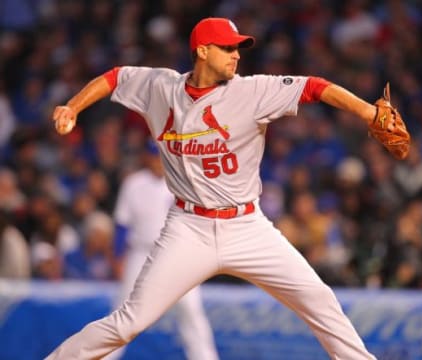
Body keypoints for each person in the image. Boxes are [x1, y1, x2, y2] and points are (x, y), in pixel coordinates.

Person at [46, 17, 390, 359]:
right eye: (227, 47)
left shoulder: (252, 91)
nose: (236, 55)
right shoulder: (161, 87)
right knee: (127, 323)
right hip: (188, 227)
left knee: (319, 299)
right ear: (202, 51)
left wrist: (368, 112)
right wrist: (72, 106)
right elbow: (115, 77)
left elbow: (314, 86)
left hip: (247, 226)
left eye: (238, 47)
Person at [106, 140, 218, 360]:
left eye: (162, 155)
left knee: (190, 310)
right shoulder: (134, 183)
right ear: (146, 157)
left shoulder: (184, 181)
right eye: (154, 155)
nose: (158, 160)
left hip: (177, 254)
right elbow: (122, 224)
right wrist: (118, 256)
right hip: (141, 252)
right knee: (123, 311)